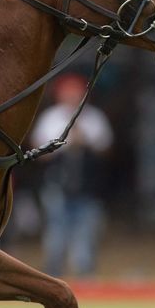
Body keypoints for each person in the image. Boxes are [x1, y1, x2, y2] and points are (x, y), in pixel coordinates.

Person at [29, 73, 113, 277]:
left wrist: (84, 142)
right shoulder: (51, 118)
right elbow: (36, 153)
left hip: (87, 188)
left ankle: (85, 280)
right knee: (55, 237)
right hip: (58, 186)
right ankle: (53, 277)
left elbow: (107, 149)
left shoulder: (94, 118)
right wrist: (65, 146)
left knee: (85, 238)